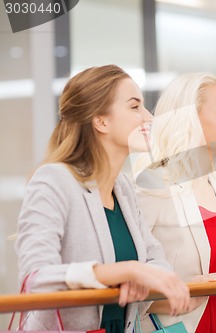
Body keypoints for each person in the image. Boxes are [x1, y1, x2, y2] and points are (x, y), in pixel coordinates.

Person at [15, 65, 190, 333]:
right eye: (134, 106)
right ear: (101, 121)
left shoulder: (123, 188)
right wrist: (125, 272)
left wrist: (142, 274)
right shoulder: (54, 180)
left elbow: (157, 261)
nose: (148, 116)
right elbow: (36, 278)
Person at [134, 73, 216, 333]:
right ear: (188, 118)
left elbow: (210, 266)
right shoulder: (151, 187)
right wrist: (186, 289)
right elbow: (127, 285)